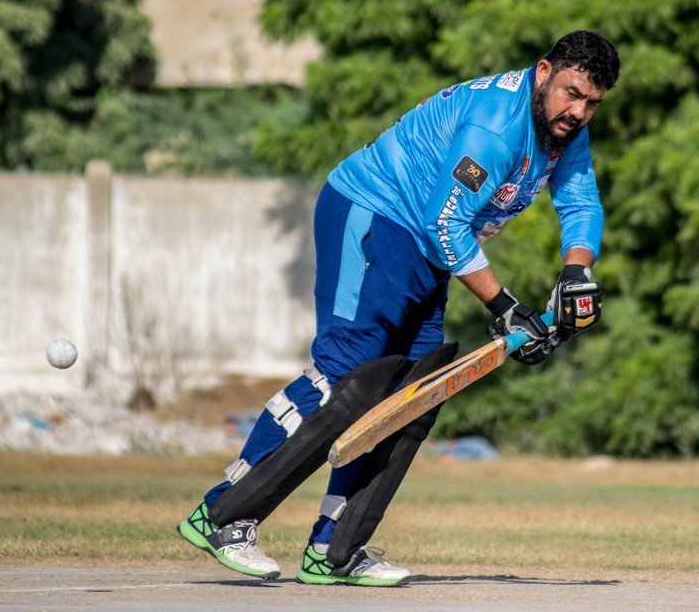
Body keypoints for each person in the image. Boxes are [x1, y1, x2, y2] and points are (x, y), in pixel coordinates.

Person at [177, 30, 619, 586]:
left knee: (414, 392)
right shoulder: (495, 126)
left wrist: (577, 273)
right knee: (345, 377)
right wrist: (506, 306)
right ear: (544, 71)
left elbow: (580, 201)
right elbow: (446, 220)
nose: (578, 112)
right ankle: (222, 515)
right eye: (572, 93)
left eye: (591, 103)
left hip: (426, 249)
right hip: (374, 216)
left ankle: (335, 548)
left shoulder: (563, 130)